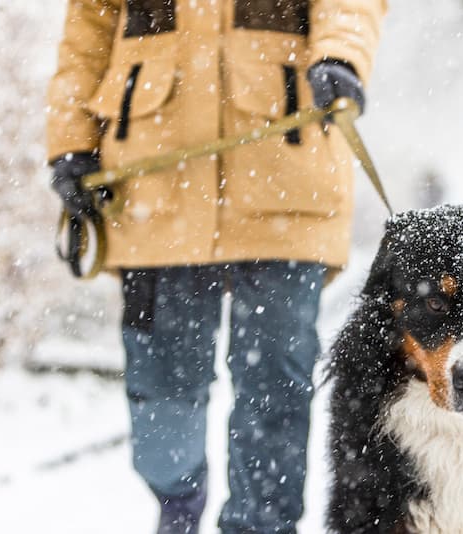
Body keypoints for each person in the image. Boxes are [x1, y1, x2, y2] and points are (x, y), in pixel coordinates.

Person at [46, 1, 385, 532]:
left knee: (275, 384)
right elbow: (88, 26)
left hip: (286, 178)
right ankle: (177, 499)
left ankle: (262, 524)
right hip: (153, 187)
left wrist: (341, 54)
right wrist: (70, 142)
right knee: (163, 399)